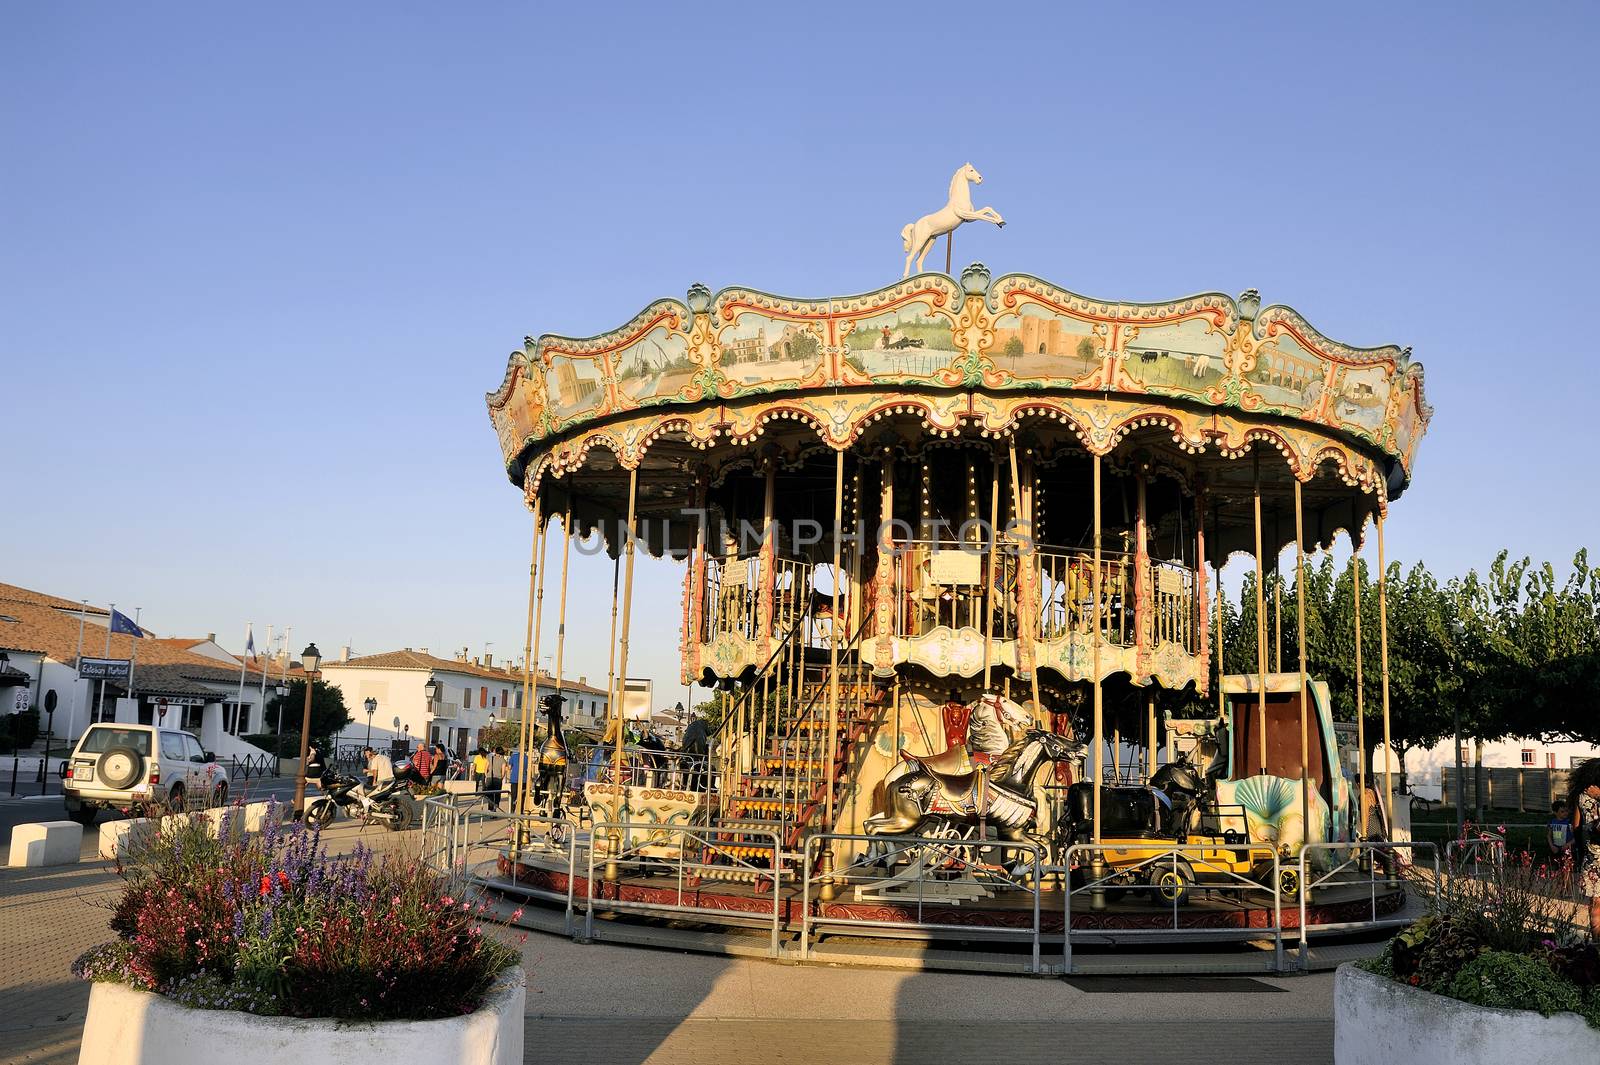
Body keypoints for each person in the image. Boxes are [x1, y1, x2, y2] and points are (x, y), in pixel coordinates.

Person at [1568, 760, 1600, 933]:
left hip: (1591, 857)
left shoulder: (1581, 795)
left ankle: (1596, 943)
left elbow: (1576, 826)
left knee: (1595, 902)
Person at [485, 746, 507, 812]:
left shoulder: (490, 758)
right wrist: (501, 778)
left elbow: (485, 769)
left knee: (490, 794)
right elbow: (503, 772)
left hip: (489, 778)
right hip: (498, 779)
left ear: (495, 752)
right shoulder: (503, 760)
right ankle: (495, 807)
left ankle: (490, 808)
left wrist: (487, 776)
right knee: (497, 795)